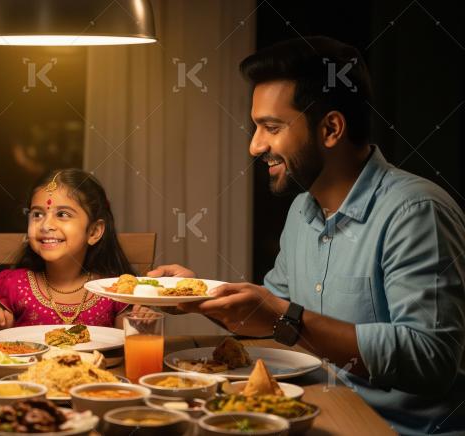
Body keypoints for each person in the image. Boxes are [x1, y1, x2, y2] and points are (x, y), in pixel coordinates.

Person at [151, 36, 465, 435]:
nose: (255, 146)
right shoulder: (302, 210)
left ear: (331, 128)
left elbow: (432, 360)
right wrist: (196, 296)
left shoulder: (415, 212)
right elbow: (269, 317)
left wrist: (286, 317)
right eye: (256, 127)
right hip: (318, 414)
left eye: (272, 127)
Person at [0, 169, 153, 335]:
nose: (46, 225)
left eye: (62, 214)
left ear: (93, 232)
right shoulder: (14, 284)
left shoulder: (113, 289)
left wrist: (141, 323)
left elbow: (130, 339)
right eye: (37, 214)